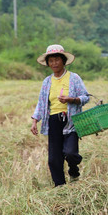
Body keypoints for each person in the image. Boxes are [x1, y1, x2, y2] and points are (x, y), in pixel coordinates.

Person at [31, 44, 90, 187]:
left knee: (70, 153)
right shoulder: (47, 82)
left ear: (63, 61)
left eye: (57, 60)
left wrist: (72, 99)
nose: (54, 63)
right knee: (53, 159)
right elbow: (41, 102)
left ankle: (74, 170)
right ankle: (60, 188)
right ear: (48, 63)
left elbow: (85, 97)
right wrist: (34, 121)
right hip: (53, 121)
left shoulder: (74, 78)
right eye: (51, 61)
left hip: (71, 121)